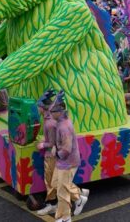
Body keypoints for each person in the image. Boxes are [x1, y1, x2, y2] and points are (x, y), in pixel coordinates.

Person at [49, 92, 89, 222]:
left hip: (67, 162)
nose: (50, 114)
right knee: (57, 184)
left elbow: (66, 148)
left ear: (59, 112)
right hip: (63, 162)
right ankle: (78, 198)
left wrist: (56, 152)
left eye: (52, 112)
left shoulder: (64, 127)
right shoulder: (61, 122)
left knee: (62, 190)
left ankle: (65, 217)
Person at [36, 89, 59, 217]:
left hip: (51, 155)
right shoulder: (48, 118)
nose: (37, 109)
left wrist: (42, 144)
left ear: (42, 107)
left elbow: (53, 142)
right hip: (52, 154)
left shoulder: (49, 123)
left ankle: (52, 205)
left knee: (50, 181)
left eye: (38, 106)